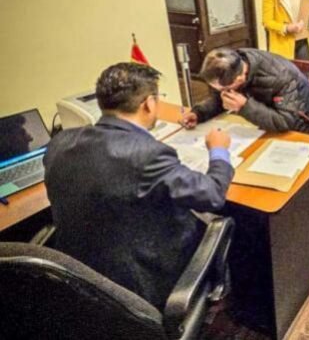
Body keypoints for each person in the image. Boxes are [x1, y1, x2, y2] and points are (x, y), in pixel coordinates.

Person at [43, 63, 234, 310]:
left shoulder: (60, 143)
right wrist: (219, 150)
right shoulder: (148, 154)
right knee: (216, 219)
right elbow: (213, 194)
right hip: (141, 284)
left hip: (80, 277)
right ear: (149, 104)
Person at [181, 47, 309, 136]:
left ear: (240, 78)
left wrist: (244, 106)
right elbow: (221, 98)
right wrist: (199, 113)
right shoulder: (236, 63)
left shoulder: (282, 76)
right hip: (267, 123)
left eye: (226, 89)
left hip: (304, 125)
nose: (223, 92)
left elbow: (286, 122)